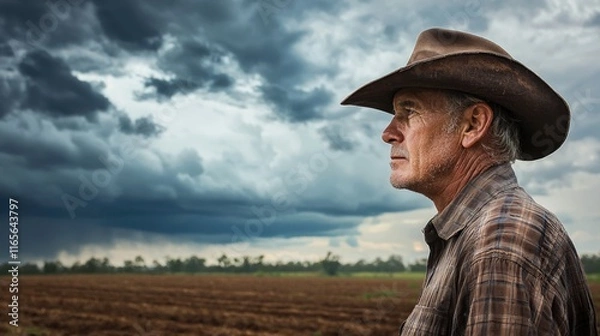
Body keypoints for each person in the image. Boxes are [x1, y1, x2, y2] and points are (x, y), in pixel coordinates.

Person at [341, 28, 598, 335]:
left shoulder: (502, 239)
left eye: (408, 112)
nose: (388, 133)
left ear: (473, 125)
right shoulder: (474, 231)